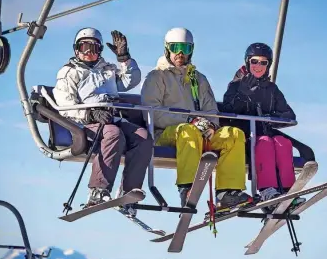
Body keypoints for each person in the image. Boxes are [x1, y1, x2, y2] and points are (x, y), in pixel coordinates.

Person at [140, 27, 252, 211]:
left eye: (185, 48)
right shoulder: (157, 76)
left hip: (199, 131)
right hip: (167, 133)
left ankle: (227, 193)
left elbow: (211, 109)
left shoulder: (198, 79)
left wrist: (210, 125)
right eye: (175, 47)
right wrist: (189, 119)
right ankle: (187, 188)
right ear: (167, 49)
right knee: (188, 131)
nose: (180, 53)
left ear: (192, 49)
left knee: (233, 134)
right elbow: (152, 112)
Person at [53, 27, 153, 217]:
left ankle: (129, 193)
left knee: (142, 137)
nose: (89, 52)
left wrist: (124, 58)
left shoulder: (106, 70)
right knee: (113, 134)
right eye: (85, 47)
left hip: (112, 118)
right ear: (76, 49)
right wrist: (91, 115)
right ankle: (98, 189)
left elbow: (131, 81)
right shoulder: (70, 73)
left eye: (94, 47)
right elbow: (65, 105)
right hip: (84, 124)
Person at [222, 42, 298, 205]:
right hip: (244, 136)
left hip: (265, 132)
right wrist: (243, 95)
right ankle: (267, 190)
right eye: (254, 61)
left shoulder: (271, 89)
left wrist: (269, 116)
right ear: (247, 62)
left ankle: (287, 190)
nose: (258, 66)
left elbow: (289, 114)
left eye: (263, 62)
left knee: (283, 142)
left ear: (268, 65)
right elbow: (226, 110)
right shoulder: (236, 85)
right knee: (264, 143)